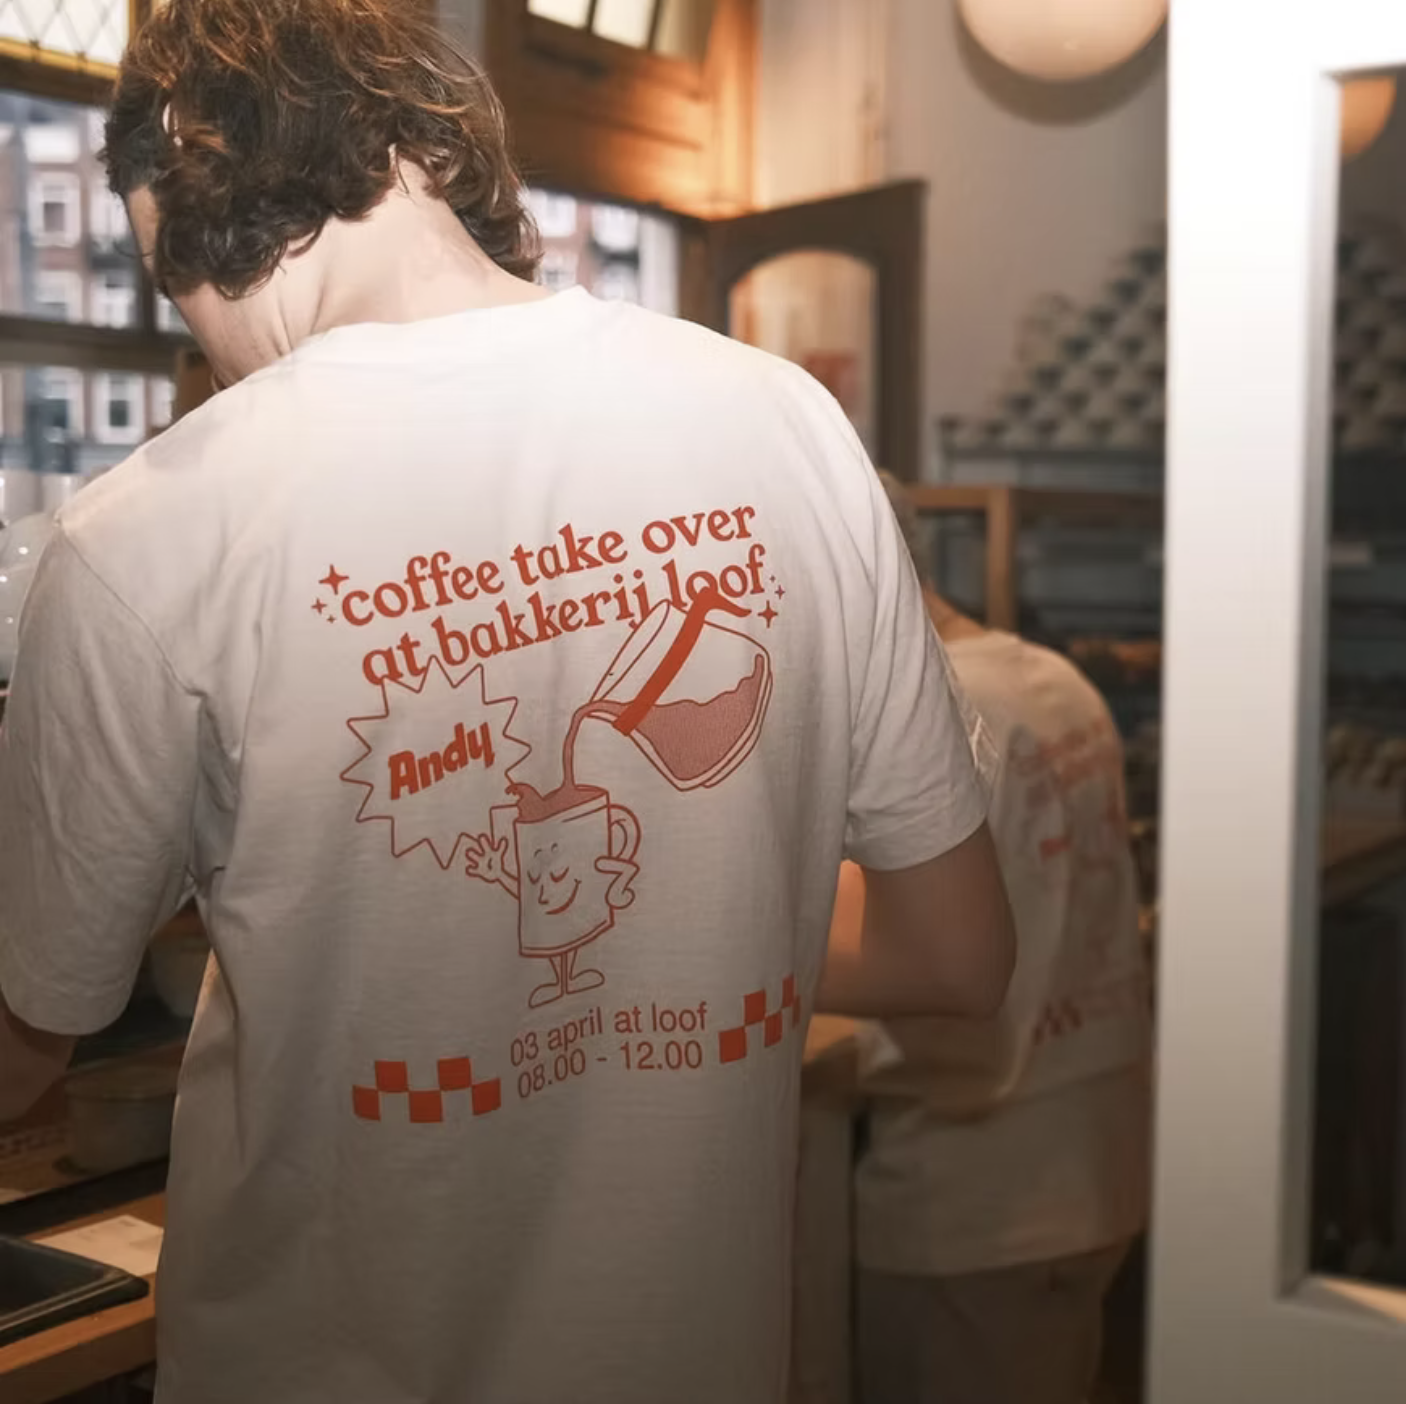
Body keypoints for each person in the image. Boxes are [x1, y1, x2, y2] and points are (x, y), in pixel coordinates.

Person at [0, 5, 1014, 1402]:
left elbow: (24, 1043)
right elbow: (959, 952)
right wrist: (677, 938)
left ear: (187, 171)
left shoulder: (142, 536)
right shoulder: (785, 423)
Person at [853, 473, 1153, 1404]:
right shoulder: (1047, 677)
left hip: (976, 1202)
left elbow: (944, 975)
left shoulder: (945, 719)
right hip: (1093, 1169)